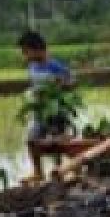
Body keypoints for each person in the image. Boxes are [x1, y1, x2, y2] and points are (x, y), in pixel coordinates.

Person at [18, 30, 75, 176]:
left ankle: (68, 170)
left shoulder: (55, 65)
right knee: (32, 140)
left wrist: (61, 83)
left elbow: (72, 82)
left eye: (26, 51)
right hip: (40, 112)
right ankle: (38, 171)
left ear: (35, 49)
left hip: (57, 111)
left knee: (60, 143)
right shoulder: (32, 66)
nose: (24, 55)